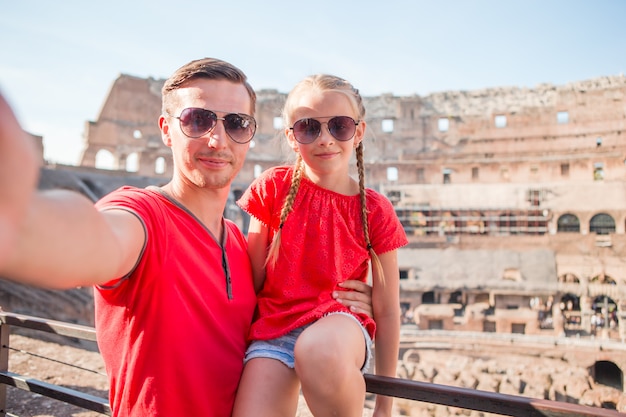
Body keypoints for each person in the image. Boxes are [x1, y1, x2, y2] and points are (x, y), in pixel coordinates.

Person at [0, 58, 373, 417]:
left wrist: (350, 307)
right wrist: (18, 221)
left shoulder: (240, 247)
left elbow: (291, 306)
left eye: (237, 123)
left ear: (249, 135)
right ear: (166, 129)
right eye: (198, 120)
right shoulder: (143, 216)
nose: (217, 139)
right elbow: (92, 239)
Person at [232, 74, 409, 417]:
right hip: (274, 332)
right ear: (292, 137)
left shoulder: (375, 210)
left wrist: (385, 406)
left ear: (358, 132)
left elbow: (387, 311)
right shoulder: (272, 188)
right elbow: (250, 284)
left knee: (318, 351)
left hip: (339, 329)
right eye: (309, 127)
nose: (325, 139)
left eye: (339, 126)